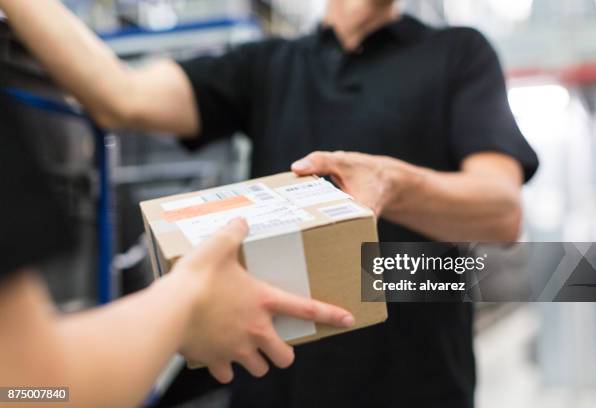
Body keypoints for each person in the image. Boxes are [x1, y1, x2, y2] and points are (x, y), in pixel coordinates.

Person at [0, 0, 539, 407]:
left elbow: (501, 210)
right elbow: (118, 95)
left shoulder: (459, 54)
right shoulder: (268, 65)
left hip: (416, 387)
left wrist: (393, 182)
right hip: (275, 384)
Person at [0, 91, 355, 407]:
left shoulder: (411, 56)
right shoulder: (273, 62)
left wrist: (403, 186)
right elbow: (29, 389)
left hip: (389, 306)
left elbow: (27, 389)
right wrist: (188, 297)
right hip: (278, 362)